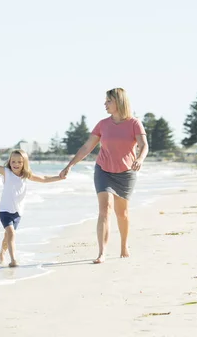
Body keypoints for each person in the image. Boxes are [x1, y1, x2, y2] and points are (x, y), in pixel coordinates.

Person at [59, 88, 148, 264]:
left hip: (126, 172)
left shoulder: (134, 123)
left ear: (118, 101)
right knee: (104, 210)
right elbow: (86, 147)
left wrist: (140, 158)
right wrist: (70, 165)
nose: (105, 104)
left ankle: (124, 245)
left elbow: (144, 145)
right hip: (103, 170)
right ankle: (102, 252)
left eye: (108, 101)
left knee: (122, 213)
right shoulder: (102, 124)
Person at [0, 144, 64, 267]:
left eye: (19, 162)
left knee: (7, 236)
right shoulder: (6, 172)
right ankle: (13, 260)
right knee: (11, 234)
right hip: (4, 210)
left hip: (17, 212)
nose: (16, 164)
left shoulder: (26, 175)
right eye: (13, 161)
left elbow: (43, 178)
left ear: (24, 163)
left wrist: (59, 177)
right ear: (9, 161)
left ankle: (1, 253)